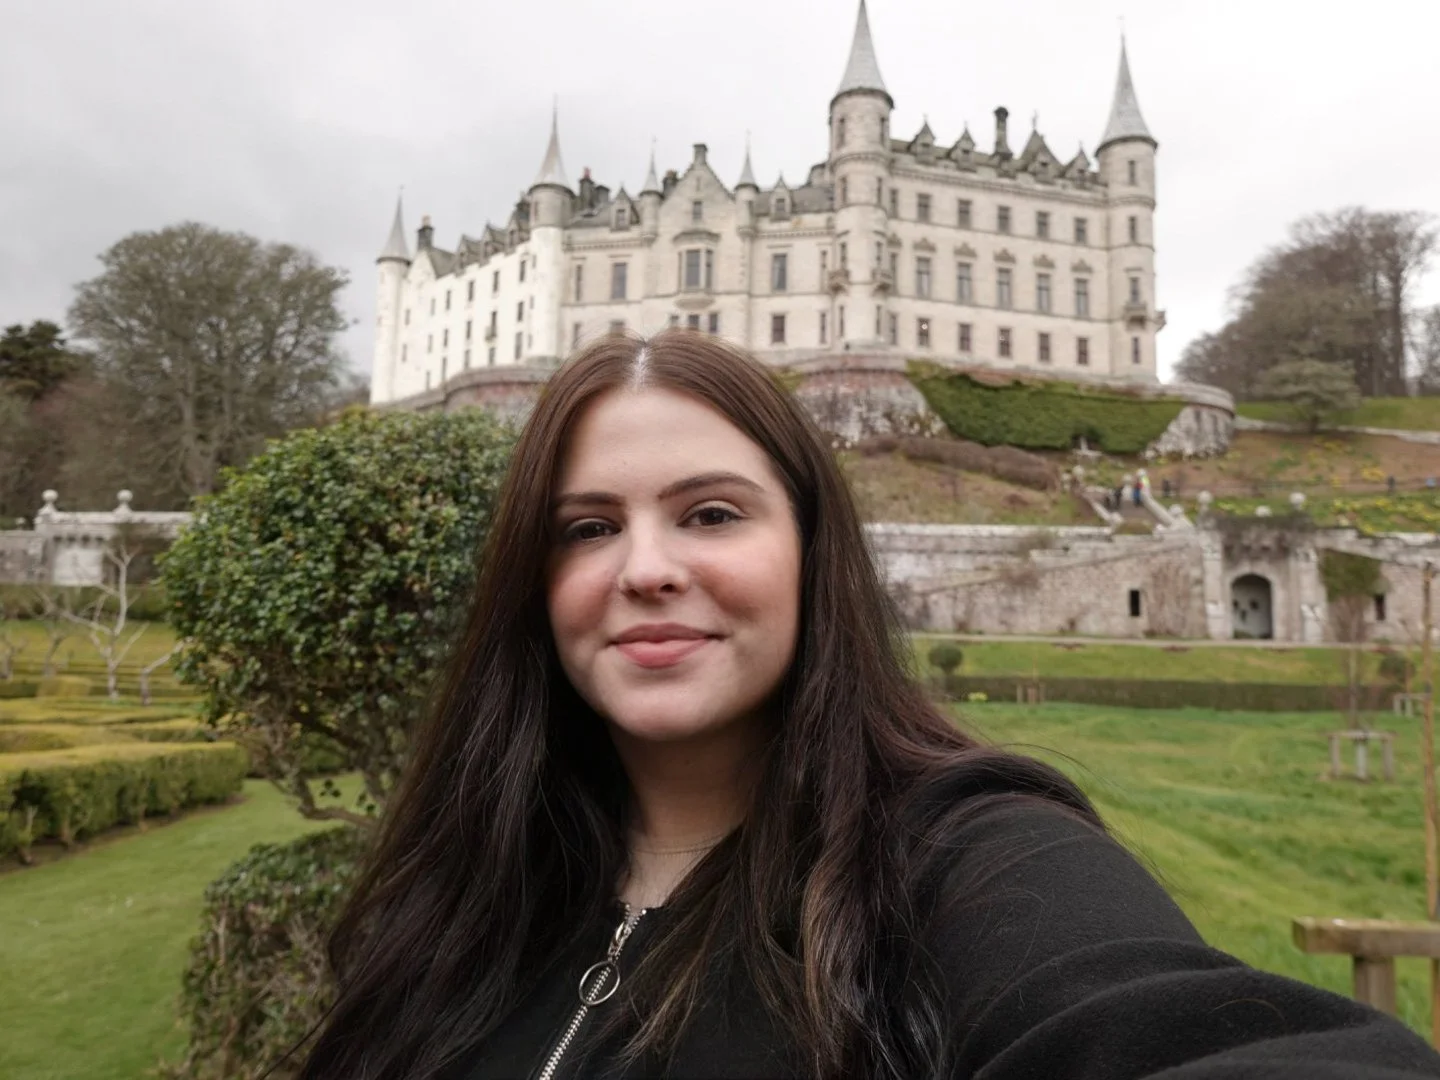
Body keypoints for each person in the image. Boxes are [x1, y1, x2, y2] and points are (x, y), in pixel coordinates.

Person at [296, 331, 1440, 1080]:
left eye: (711, 514)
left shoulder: (965, 863)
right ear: (532, 581)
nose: (644, 567)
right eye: (587, 527)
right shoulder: (461, 889)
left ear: (814, 553)